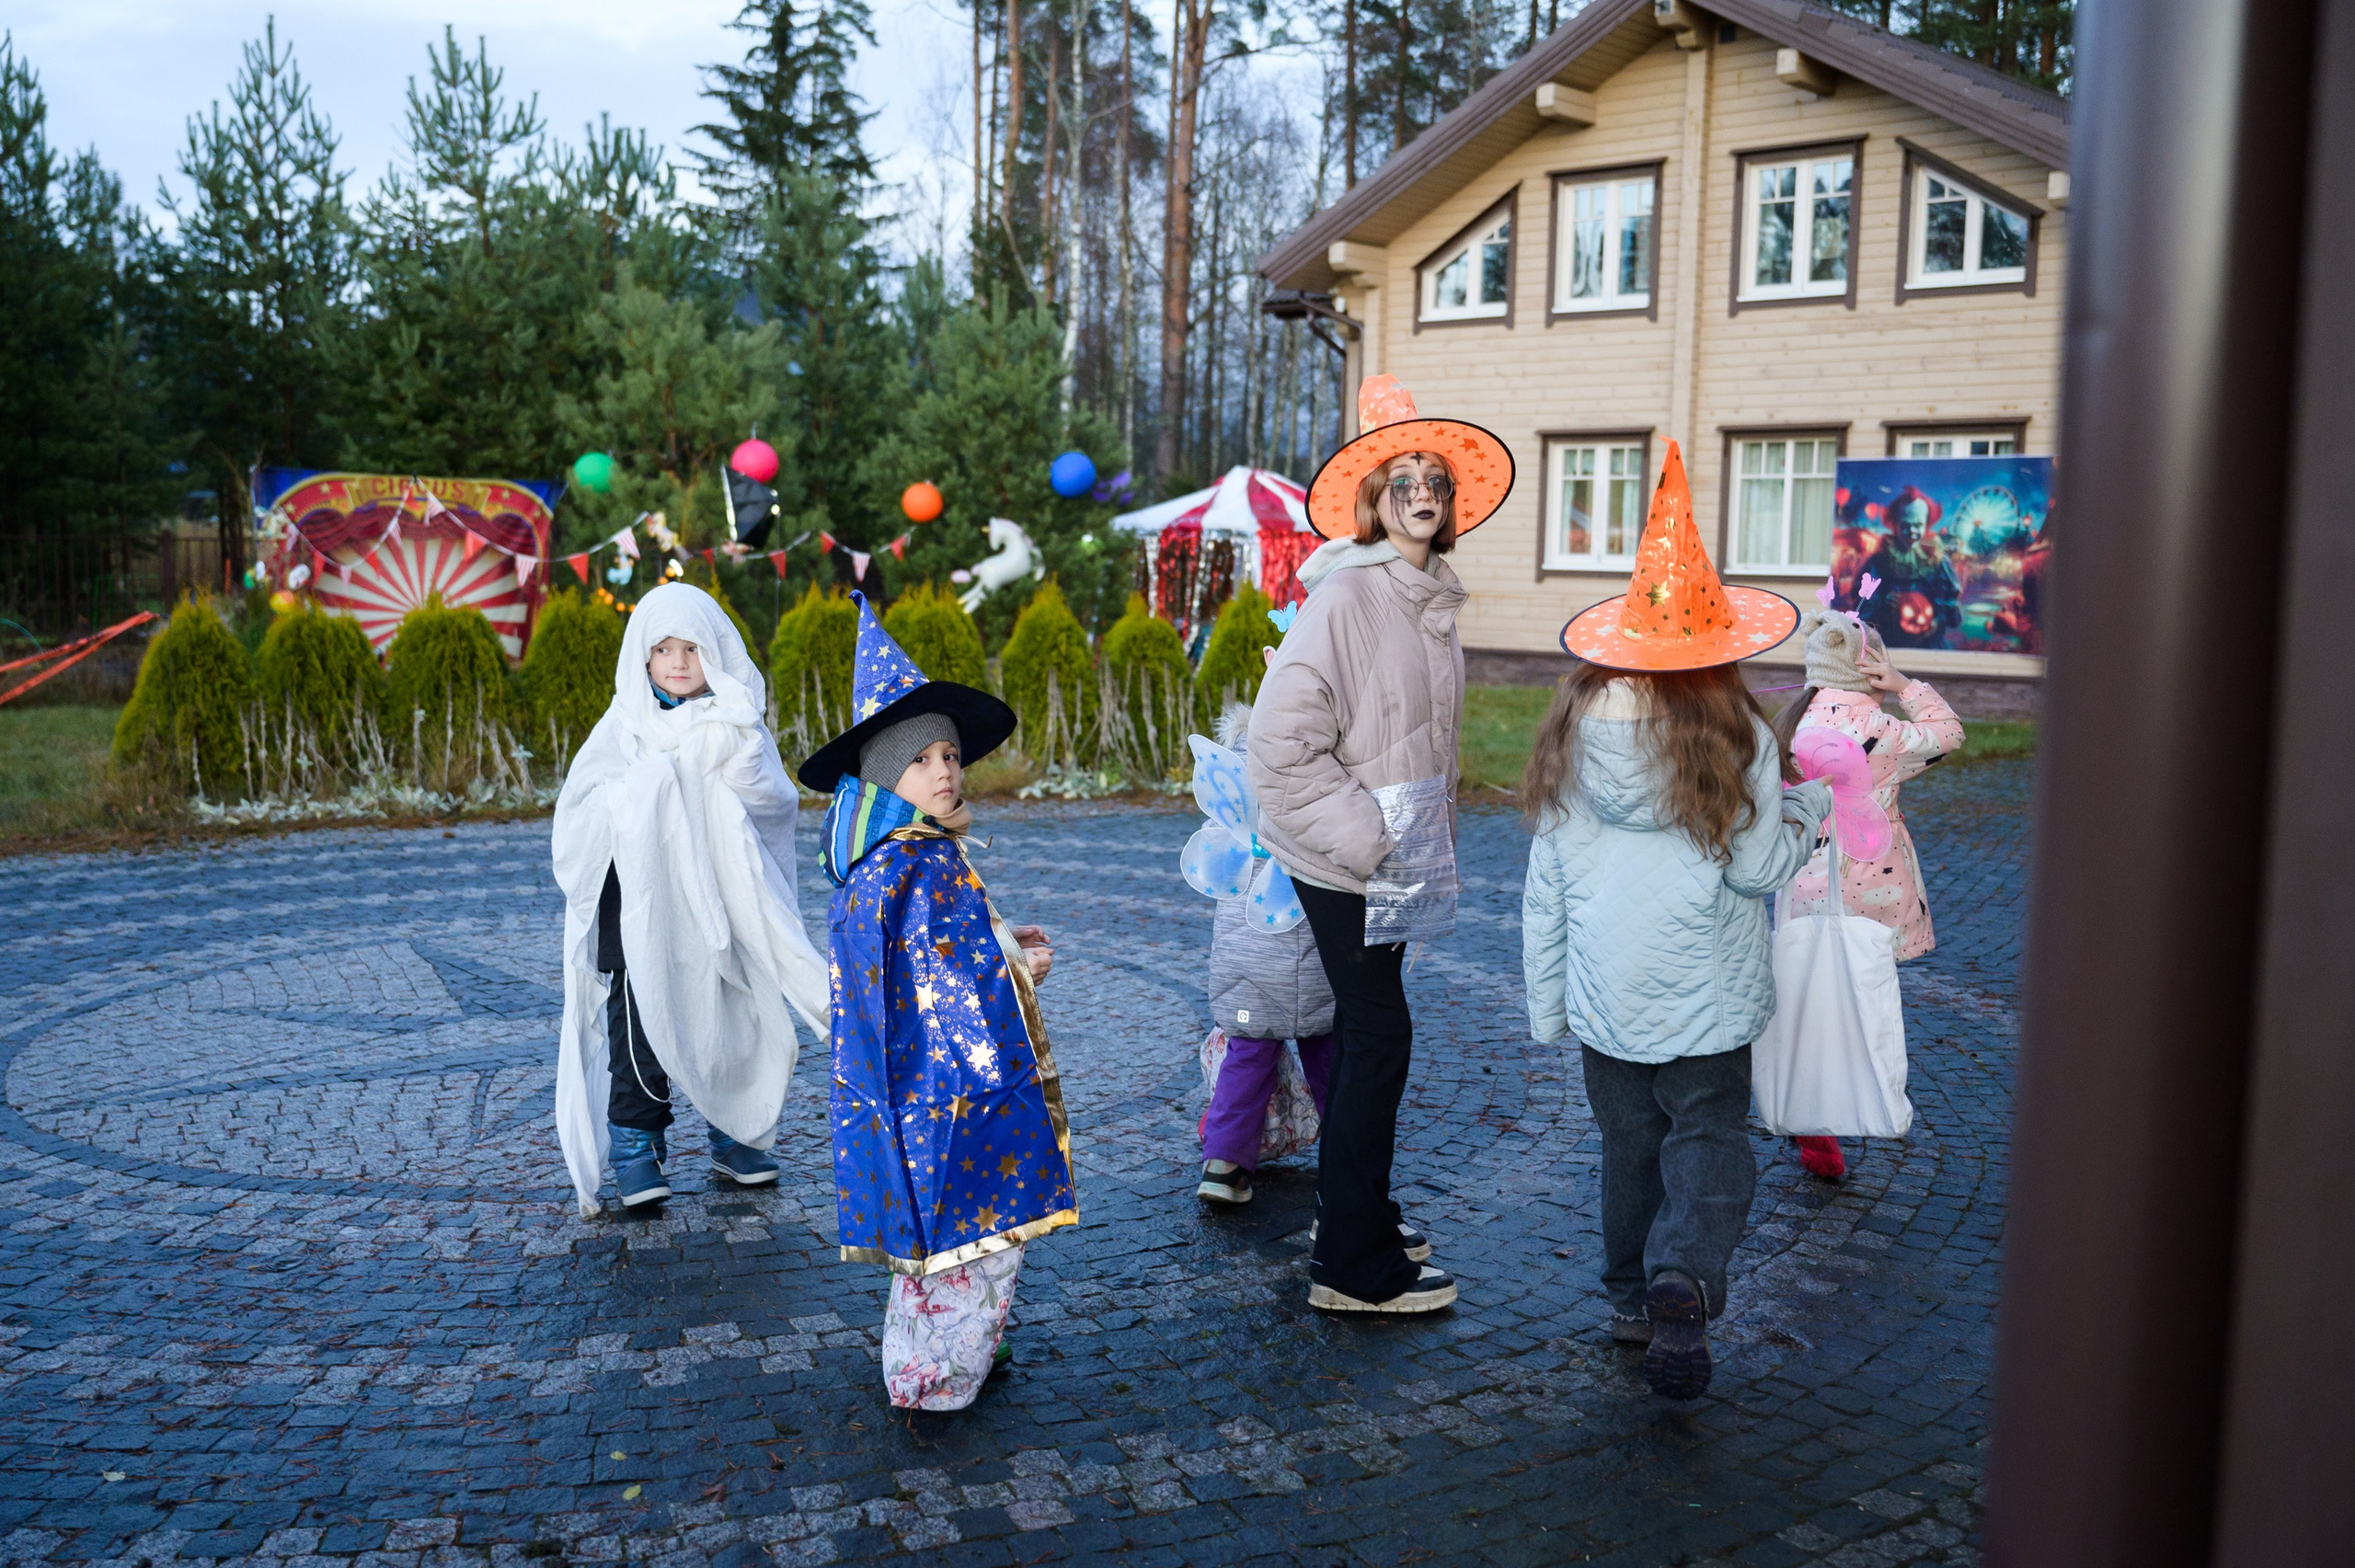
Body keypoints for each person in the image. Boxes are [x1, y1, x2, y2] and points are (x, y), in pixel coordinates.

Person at [1537, 440, 1834, 1401]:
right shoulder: (1736, 734)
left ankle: (1630, 1299)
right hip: (1706, 991)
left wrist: (1548, 1004)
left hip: (1604, 996)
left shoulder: (1572, 732)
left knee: (1626, 1146)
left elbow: (1547, 880)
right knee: (1705, 1134)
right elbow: (1753, 868)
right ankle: (1683, 1277)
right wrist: (1807, 813)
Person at [1248, 373, 1515, 1314]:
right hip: (1349, 855)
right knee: (1379, 1036)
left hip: (1396, 855)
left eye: (1433, 473)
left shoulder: (1428, 599)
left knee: (1376, 1032)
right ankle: (1351, 1267)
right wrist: (1367, 839)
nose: (1419, 487)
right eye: (1400, 474)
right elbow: (1277, 752)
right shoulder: (1349, 599)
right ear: (1373, 502)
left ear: (1450, 504)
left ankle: (1354, 1207)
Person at [800, 594, 1075, 1412]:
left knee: (933, 1238)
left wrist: (996, 936)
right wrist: (1021, 969)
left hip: (903, 1090)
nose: (947, 769)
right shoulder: (919, 864)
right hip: (949, 1094)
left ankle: (934, 1356)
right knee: (967, 1232)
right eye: (922, 760)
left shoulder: (882, 860)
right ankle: (940, 1376)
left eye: (951, 753)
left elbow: (926, 961)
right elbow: (949, 990)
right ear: (890, 777)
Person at [549, 583, 830, 1218]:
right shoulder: (622, 729)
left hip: (720, 906)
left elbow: (773, 806)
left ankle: (738, 1126)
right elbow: (580, 820)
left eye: (693, 648)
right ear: (641, 658)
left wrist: (739, 765)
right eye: (663, 649)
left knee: (732, 1014)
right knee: (640, 1029)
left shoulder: (734, 723)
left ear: (716, 652)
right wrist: (645, 790)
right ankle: (636, 1143)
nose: (678, 662)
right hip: (639, 907)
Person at [1770, 601, 1965, 1182]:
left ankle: (1813, 1121)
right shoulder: (1880, 731)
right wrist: (1906, 685)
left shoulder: (1788, 726)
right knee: (1866, 996)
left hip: (1804, 882)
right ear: (1869, 668)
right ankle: (1868, 1092)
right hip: (1873, 889)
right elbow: (1949, 734)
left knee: (1811, 995)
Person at [1195, 702, 1339, 1206]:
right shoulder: (1321, 760)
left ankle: (1222, 1163)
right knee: (1328, 1049)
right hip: (1313, 944)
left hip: (1243, 957)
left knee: (1249, 1049)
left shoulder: (1232, 775)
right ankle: (1347, 1157)